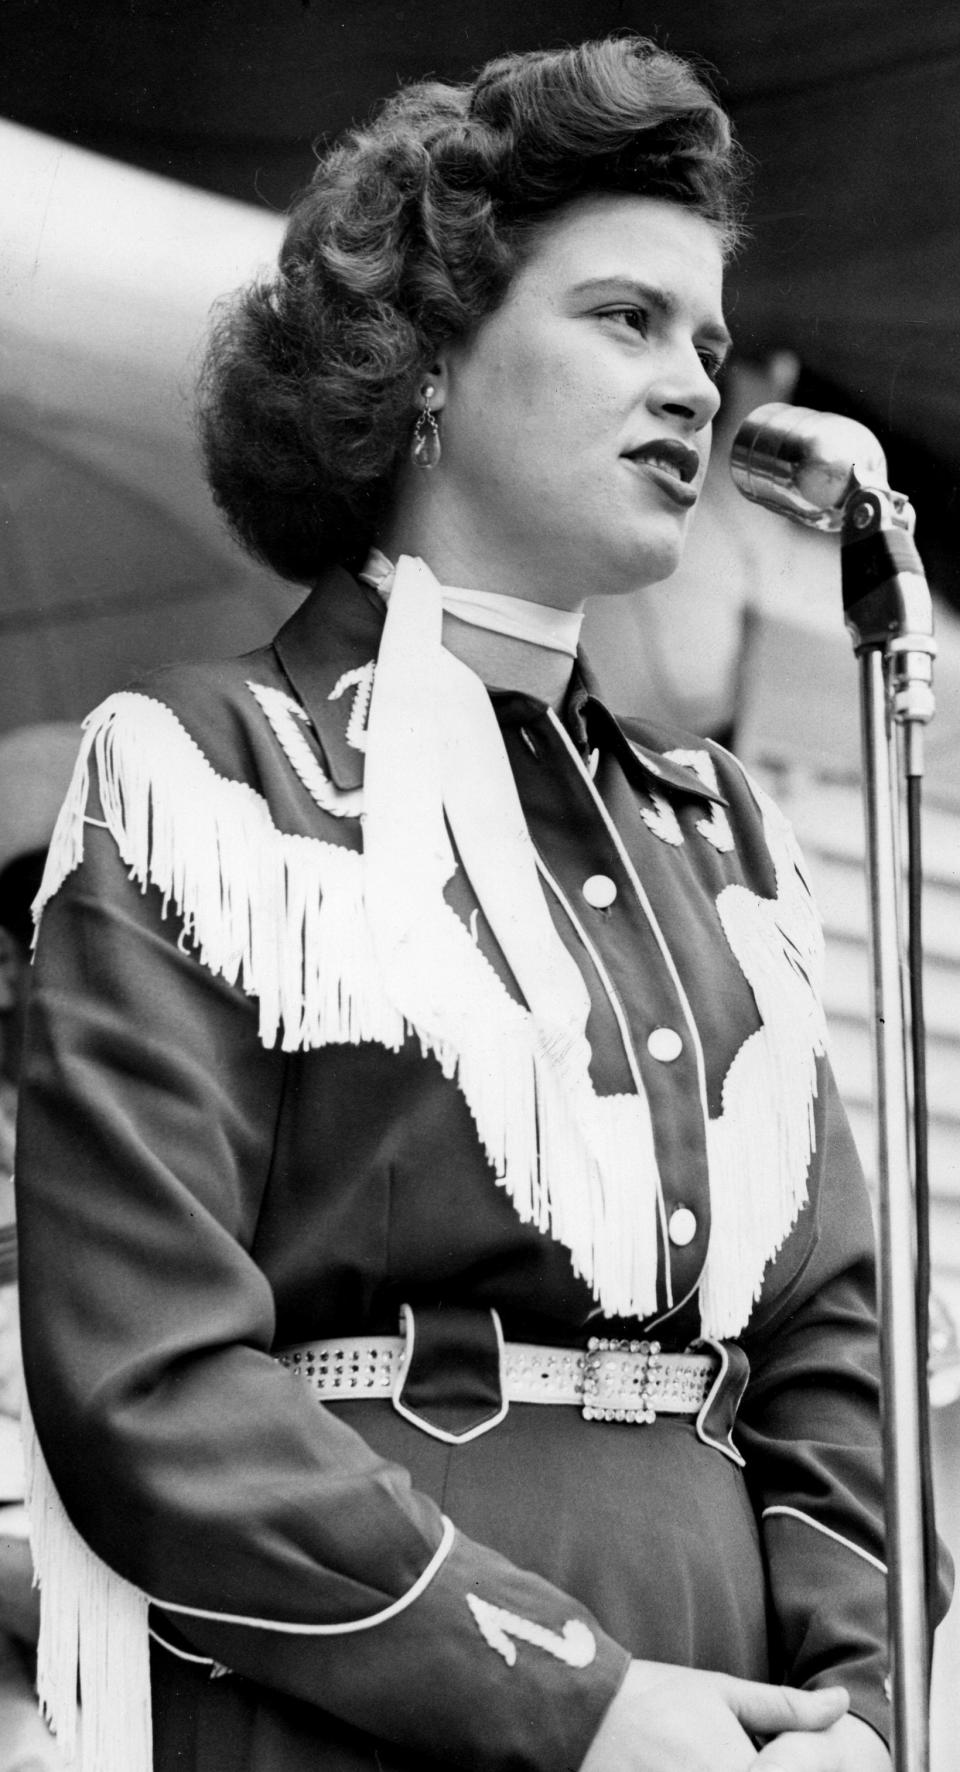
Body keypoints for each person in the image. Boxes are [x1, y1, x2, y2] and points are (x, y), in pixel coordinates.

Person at [14, 35, 950, 1772]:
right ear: (428, 355)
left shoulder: (730, 841)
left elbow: (836, 1348)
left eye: (711, 344)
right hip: (365, 1710)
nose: (695, 386)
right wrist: (575, 1704)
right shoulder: (204, 776)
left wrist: (856, 1715)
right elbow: (144, 1383)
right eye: (625, 319)